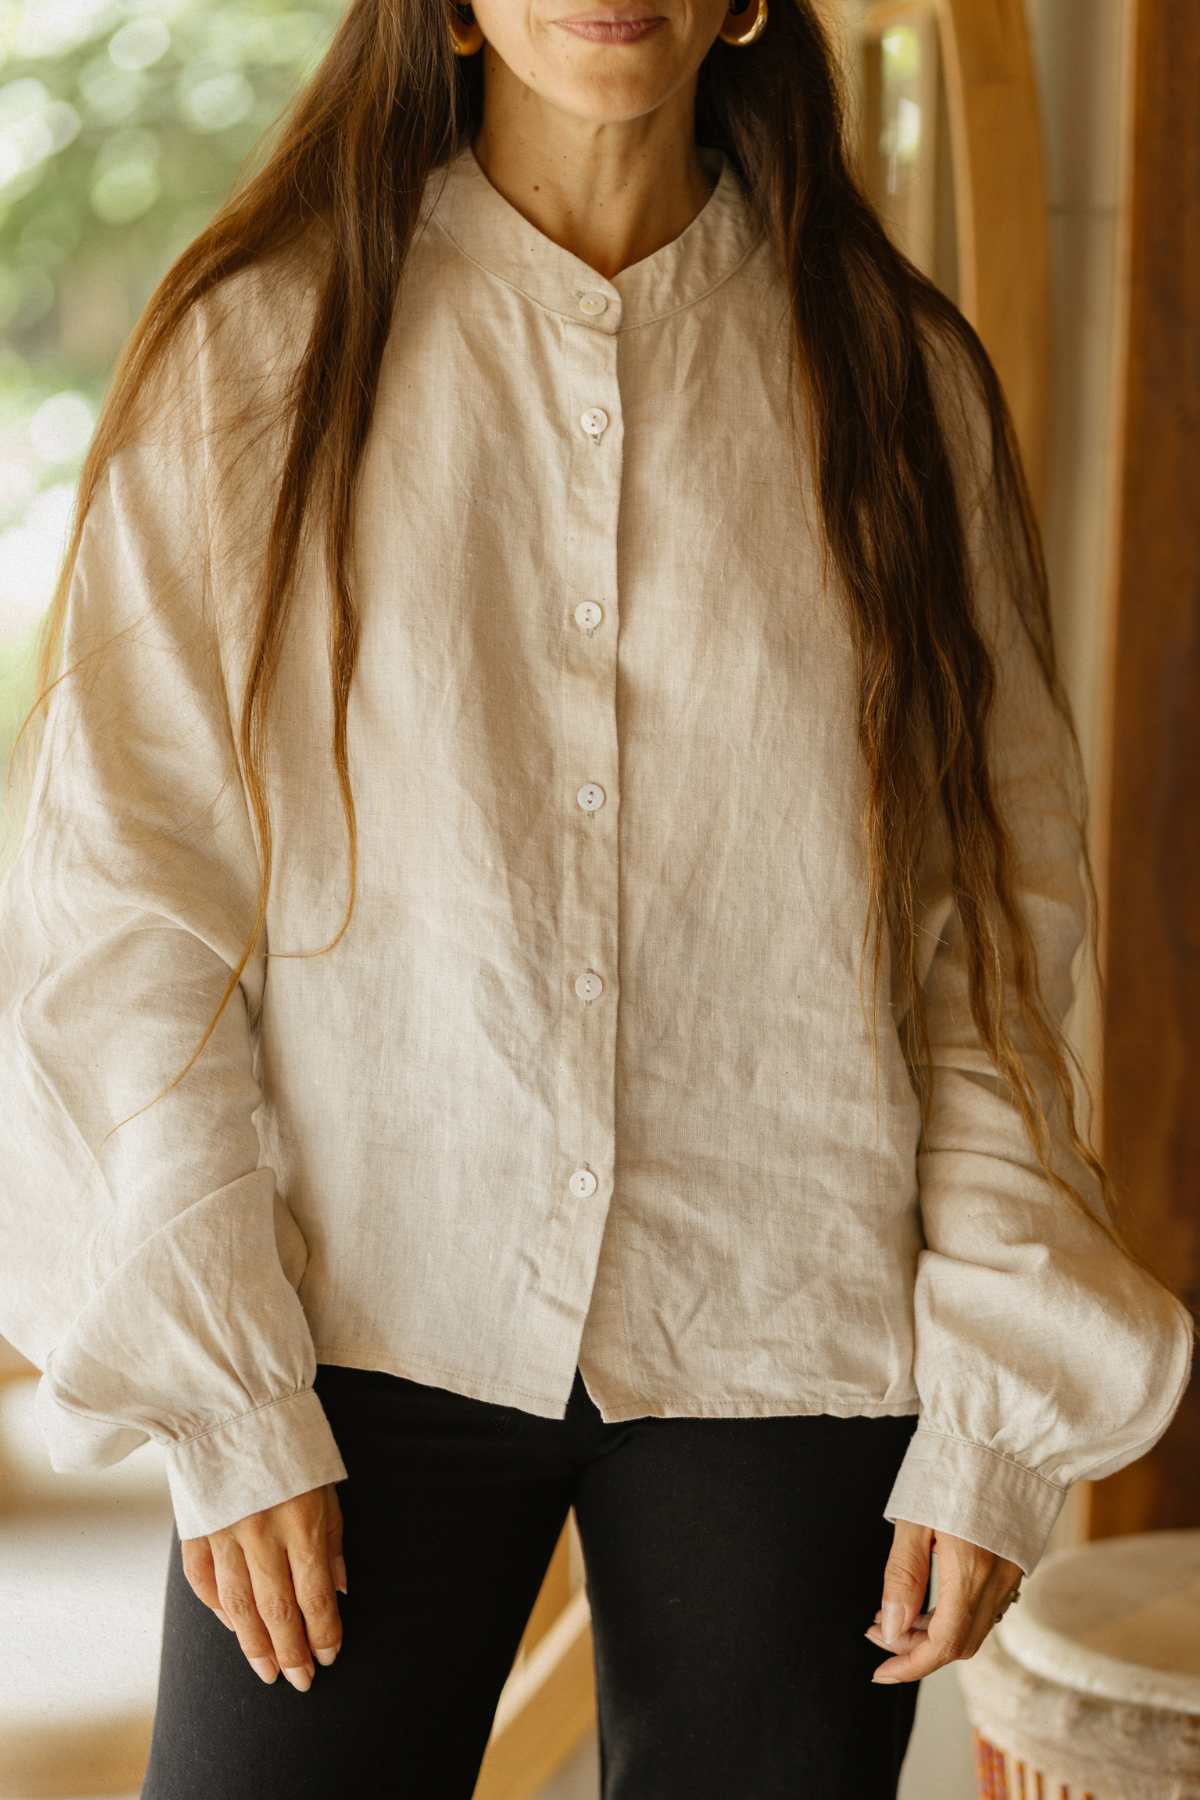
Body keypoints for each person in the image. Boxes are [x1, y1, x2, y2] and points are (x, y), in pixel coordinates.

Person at [0, 0, 1193, 1793]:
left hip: (788, 1315)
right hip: (346, 1316)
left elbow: (994, 945)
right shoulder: (260, 351)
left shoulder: (898, 380)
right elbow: (133, 908)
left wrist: (1001, 1406)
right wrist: (222, 1382)